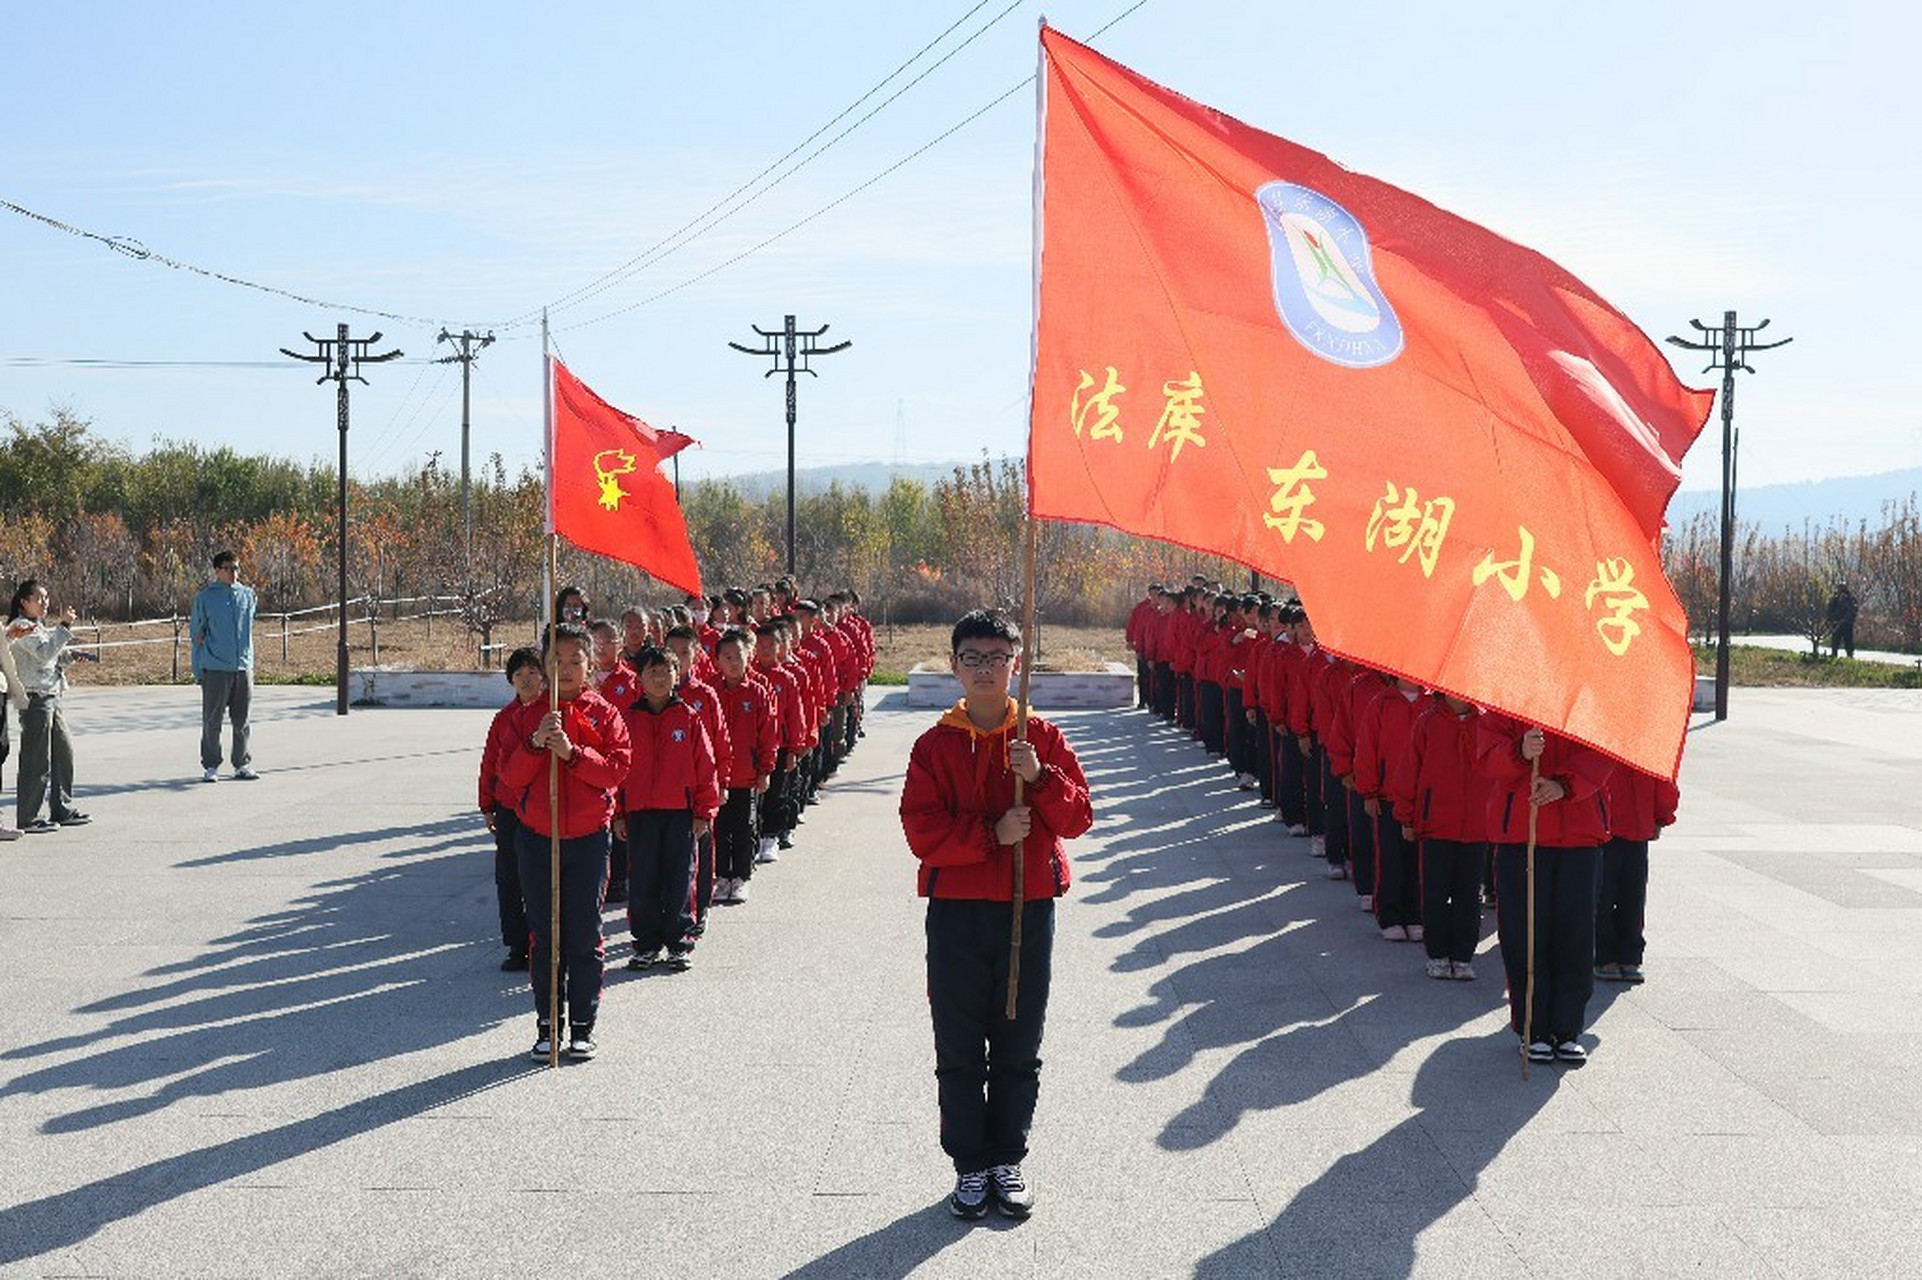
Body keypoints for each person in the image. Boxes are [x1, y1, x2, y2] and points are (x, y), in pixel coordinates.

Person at [899, 609, 1093, 1222]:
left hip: (1025, 908)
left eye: (997, 658)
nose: (985, 671)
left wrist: (1039, 777)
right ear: (954, 665)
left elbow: (1079, 817)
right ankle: (970, 1165)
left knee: (1017, 1041)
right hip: (958, 912)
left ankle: (1008, 1156)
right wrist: (992, 833)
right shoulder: (934, 745)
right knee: (958, 1043)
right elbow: (921, 830)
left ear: (1016, 664)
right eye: (972, 659)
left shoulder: (1042, 738)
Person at [497, 623, 630, 1061]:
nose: (567, 668)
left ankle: (583, 1024)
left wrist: (573, 754)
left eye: (576, 660)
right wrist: (537, 744)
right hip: (538, 838)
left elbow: (614, 771)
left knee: (583, 933)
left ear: (590, 665)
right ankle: (547, 1022)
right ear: (544, 666)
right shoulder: (526, 716)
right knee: (545, 933)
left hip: (588, 839)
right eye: (558, 660)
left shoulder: (605, 714)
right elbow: (509, 779)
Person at [1476, 714, 1614, 1066]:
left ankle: (1567, 1030)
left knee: (1576, 935)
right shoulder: (1506, 700)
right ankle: (1532, 1029)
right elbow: (1489, 759)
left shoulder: (1589, 699)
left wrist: (1565, 785)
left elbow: (1604, 750)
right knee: (1525, 934)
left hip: (1580, 832)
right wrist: (1520, 752)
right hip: (1523, 834)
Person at [618, 645, 720, 972]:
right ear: (640, 677)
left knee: (681, 877)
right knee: (643, 879)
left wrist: (704, 811)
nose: (660, 678)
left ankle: (679, 942)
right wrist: (618, 812)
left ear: (678, 676)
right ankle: (645, 943)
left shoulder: (688, 718)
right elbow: (617, 770)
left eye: (666, 672)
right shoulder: (628, 719)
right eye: (652, 672)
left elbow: (706, 767)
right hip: (640, 812)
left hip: (681, 813)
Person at [478, 647, 544, 971]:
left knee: (540, 879)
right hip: (509, 809)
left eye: (532, 672)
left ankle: (542, 942)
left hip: (543, 808)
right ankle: (517, 945)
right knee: (510, 879)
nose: (526, 679)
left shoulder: (552, 714)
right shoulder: (503, 718)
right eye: (519, 675)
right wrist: (487, 805)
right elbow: (489, 763)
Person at [7, 580, 88, 834]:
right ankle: (29, 817)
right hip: (34, 699)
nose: (44, 603)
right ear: (24, 602)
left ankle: (61, 808)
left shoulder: (38, 626)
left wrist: (70, 657)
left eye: (46, 598)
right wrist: (63, 626)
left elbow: (51, 656)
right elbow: (43, 653)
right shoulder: (20, 627)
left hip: (53, 695)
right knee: (36, 759)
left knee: (64, 753)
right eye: (38, 599)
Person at [1594, 764, 1680, 985]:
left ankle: (1629, 956)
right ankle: (1604, 955)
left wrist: (1661, 816)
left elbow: (1663, 776)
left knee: (1633, 896)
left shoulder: (1647, 741)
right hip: (1602, 827)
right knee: (1603, 896)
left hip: (1636, 826)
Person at [711, 628, 776, 905]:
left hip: (745, 775)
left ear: (748, 656)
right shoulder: (710, 691)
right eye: (727, 657)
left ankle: (740, 877)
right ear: (717, 661)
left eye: (738, 655)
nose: (734, 662)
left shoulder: (758, 692)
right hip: (715, 778)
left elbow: (768, 734)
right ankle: (722, 877)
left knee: (743, 829)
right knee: (719, 829)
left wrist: (765, 769)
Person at [190, 549, 259, 783]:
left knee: (242, 720)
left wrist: (249, 662)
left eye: (236, 568)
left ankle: (242, 763)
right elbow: (197, 636)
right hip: (215, 668)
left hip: (242, 667)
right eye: (228, 568)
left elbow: (248, 630)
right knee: (212, 720)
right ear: (217, 570)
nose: (233, 573)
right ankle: (211, 765)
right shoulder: (205, 598)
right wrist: (199, 669)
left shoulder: (248, 595)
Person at [1826, 582, 1858, 659]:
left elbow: (1853, 611)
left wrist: (1832, 620)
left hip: (1844, 623)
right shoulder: (1838, 598)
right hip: (1842, 623)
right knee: (1840, 641)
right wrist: (1831, 619)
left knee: (1845, 641)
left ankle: (1847, 656)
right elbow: (1830, 610)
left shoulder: (1849, 599)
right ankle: (1839, 656)